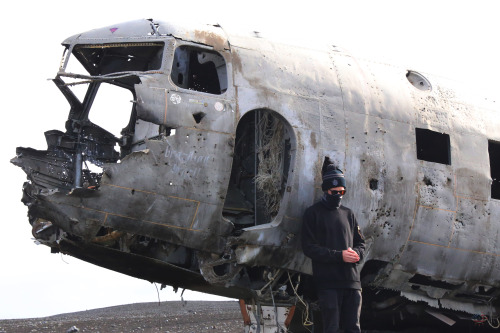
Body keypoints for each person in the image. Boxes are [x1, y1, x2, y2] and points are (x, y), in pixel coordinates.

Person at [301, 165, 365, 333]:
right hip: (328, 283)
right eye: (334, 192)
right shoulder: (312, 213)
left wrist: (356, 254)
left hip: (352, 282)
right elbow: (309, 248)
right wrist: (340, 256)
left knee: (353, 328)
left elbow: (361, 244)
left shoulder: (348, 214)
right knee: (331, 329)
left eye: (341, 192)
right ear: (325, 190)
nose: (338, 196)